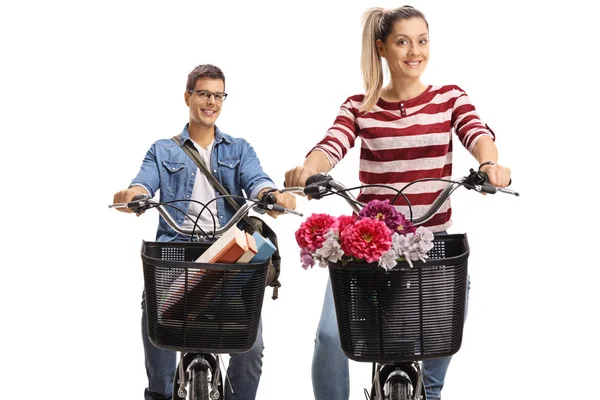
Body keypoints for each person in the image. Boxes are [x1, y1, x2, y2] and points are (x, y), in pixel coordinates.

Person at [284, 6, 511, 400]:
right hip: (368, 245)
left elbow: (476, 131)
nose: (414, 51)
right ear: (382, 48)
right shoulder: (360, 106)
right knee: (328, 337)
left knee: (447, 321)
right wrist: (307, 170)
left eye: (422, 41)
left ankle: (430, 392)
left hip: (430, 242)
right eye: (402, 41)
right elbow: (331, 144)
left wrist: (489, 163)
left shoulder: (448, 98)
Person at [113, 63, 296, 400]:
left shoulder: (239, 149)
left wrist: (270, 195)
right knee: (153, 314)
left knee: (250, 346)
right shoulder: (163, 149)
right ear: (188, 97)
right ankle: (160, 393)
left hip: (230, 253)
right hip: (177, 252)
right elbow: (143, 183)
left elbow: (256, 180)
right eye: (203, 94)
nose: (211, 101)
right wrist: (133, 197)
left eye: (218, 95)